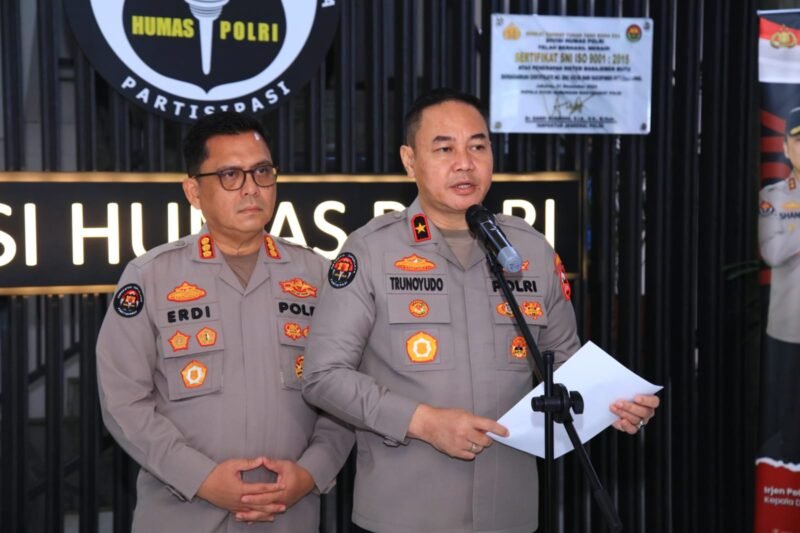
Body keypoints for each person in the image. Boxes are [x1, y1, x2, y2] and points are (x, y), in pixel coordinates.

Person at [302, 88, 660, 533]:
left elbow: (565, 367)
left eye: (477, 146)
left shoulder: (528, 249)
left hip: (509, 512)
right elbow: (323, 376)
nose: (465, 163)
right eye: (444, 149)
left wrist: (614, 403)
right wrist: (423, 422)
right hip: (403, 514)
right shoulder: (370, 250)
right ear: (410, 161)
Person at [96, 111, 353, 532]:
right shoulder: (151, 277)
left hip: (289, 514)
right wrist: (200, 478)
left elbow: (345, 391)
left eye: (262, 172)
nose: (251, 188)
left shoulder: (317, 276)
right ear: (194, 191)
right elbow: (123, 400)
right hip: (182, 514)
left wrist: (311, 472)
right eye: (230, 175)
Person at [757, 105, 800, 458]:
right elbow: (772, 252)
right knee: (789, 421)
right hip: (790, 329)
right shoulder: (774, 197)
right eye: (799, 140)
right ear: (785, 147)